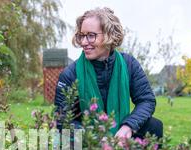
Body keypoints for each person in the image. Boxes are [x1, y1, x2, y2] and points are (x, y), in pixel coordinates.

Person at [54, 7, 162, 140]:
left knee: (154, 126)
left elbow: (147, 100)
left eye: (91, 36)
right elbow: (62, 120)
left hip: (120, 134)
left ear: (109, 36)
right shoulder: (71, 74)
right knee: (64, 141)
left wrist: (128, 126)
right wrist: (93, 137)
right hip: (85, 139)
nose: (83, 42)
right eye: (82, 35)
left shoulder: (129, 65)